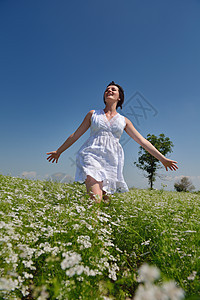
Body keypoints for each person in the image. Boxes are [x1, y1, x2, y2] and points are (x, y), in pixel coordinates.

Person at [47, 81, 178, 202]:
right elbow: (75, 135)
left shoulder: (124, 121)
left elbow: (142, 141)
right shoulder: (93, 114)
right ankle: (92, 224)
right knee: (95, 198)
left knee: (106, 202)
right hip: (91, 155)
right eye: (107, 90)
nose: (109, 91)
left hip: (112, 161)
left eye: (113, 89)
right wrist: (59, 151)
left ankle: (100, 227)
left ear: (119, 97)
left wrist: (162, 159)